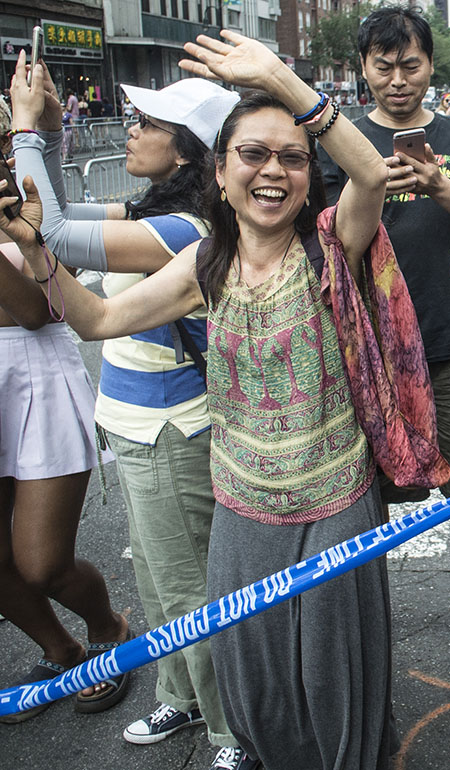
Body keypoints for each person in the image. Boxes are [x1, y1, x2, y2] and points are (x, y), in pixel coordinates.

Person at [7, 32, 407, 770]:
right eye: (252, 154)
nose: (273, 170)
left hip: (334, 505)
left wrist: (280, 78)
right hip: (243, 510)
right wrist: (39, 256)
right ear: (219, 171)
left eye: (291, 158)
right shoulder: (203, 259)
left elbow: (369, 174)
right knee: (258, 685)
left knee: (335, 685)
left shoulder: (329, 243)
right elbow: (95, 320)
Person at [11, 69, 245, 766]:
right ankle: (182, 692)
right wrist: (50, 136)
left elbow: (45, 231)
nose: (132, 132)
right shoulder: (148, 215)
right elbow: (54, 215)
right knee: (157, 577)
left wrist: (27, 130)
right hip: (138, 427)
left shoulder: (183, 229)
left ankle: (231, 728)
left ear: (184, 153)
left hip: (175, 431)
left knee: (190, 586)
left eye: (147, 125)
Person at [318, 7, 450, 653]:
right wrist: (366, 187)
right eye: (383, 66)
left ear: (430, 66)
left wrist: (439, 185)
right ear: (364, 68)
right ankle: (361, 617)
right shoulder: (341, 141)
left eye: (411, 65)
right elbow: (328, 246)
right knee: (357, 485)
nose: (398, 79)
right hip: (362, 348)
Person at [0, 84, 128, 725]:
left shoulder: (29, 204)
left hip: (38, 379)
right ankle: (61, 649)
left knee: (41, 562)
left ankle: (110, 629)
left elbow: (34, 310)